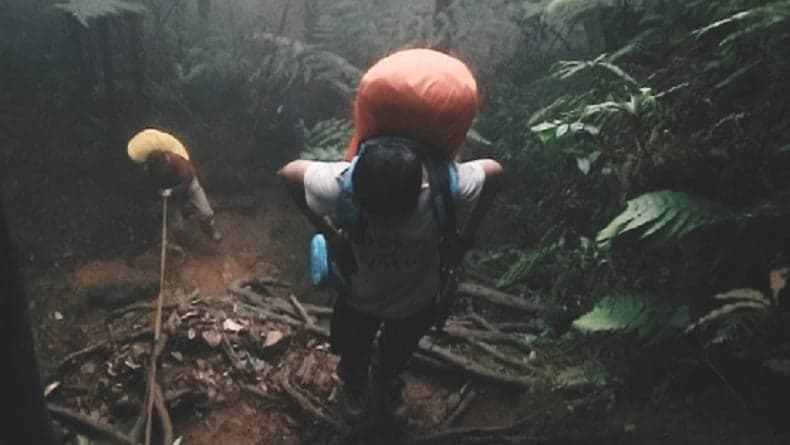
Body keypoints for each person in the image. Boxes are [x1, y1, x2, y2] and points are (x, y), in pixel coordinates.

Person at [279, 49, 502, 425]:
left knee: (397, 354)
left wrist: (464, 237)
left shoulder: (443, 184)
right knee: (353, 352)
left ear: (420, 190)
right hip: (359, 300)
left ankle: (386, 381)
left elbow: (496, 172)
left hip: (414, 303)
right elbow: (288, 173)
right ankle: (354, 385)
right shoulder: (345, 182)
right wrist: (327, 233)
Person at [127, 128, 222, 244]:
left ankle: (209, 229)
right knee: (176, 226)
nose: (161, 172)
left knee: (206, 213)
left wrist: (171, 191)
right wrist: (159, 193)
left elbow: (188, 182)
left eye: (162, 169)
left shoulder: (178, 162)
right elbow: (148, 189)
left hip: (188, 186)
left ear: (166, 162)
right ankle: (186, 242)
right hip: (170, 196)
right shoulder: (149, 172)